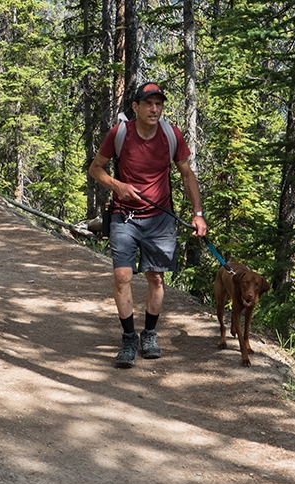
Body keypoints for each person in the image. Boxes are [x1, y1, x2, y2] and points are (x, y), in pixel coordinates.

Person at [88, 82, 208, 368]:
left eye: (159, 104)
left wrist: (198, 213)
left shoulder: (171, 134)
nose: (155, 109)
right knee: (122, 276)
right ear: (135, 108)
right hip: (124, 217)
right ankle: (129, 338)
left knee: (156, 278)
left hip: (160, 218)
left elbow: (187, 174)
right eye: (148, 104)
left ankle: (149, 334)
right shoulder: (120, 134)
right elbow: (95, 168)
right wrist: (117, 186)